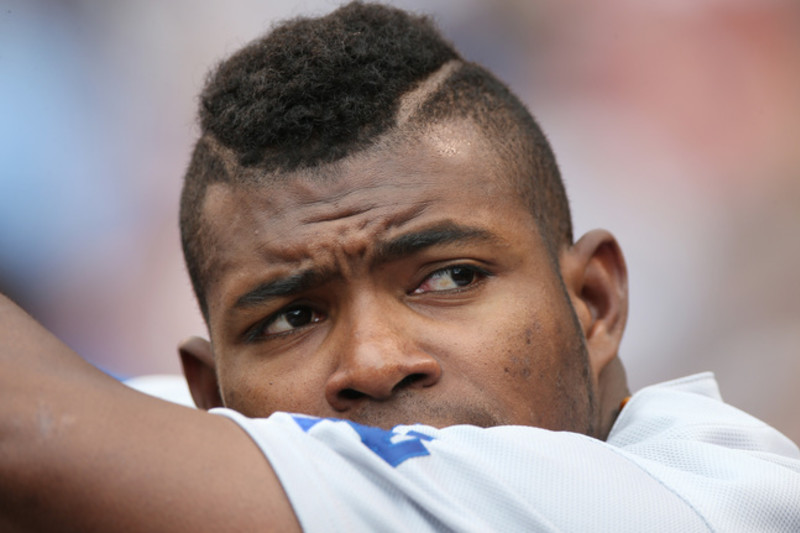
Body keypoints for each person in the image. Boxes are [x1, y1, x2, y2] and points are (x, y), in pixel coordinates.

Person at [1, 3, 798, 531]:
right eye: (290, 317)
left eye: (450, 277)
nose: (374, 362)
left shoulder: (695, 507)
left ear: (592, 300)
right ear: (212, 395)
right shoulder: (253, 445)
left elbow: (26, 432)